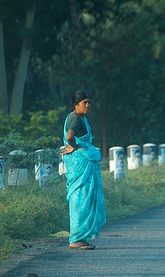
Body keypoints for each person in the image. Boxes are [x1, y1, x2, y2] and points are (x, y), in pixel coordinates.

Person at [62, 90, 106, 250]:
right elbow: (69, 137)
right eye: (84, 103)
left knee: (84, 199)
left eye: (89, 102)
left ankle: (81, 237)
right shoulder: (75, 118)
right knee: (80, 199)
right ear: (76, 105)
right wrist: (74, 146)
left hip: (82, 165)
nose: (88, 105)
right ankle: (76, 239)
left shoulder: (81, 118)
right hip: (80, 166)